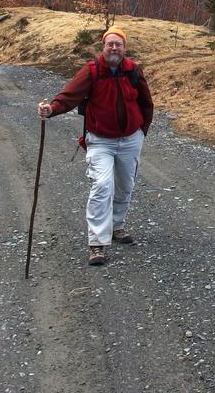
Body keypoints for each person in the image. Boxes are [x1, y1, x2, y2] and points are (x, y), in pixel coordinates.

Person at [37, 26, 153, 266]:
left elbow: (146, 102)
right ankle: (97, 242)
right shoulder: (91, 71)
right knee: (102, 185)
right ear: (103, 47)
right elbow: (69, 96)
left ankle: (117, 226)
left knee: (125, 185)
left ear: (124, 48)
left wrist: (142, 131)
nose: (114, 48)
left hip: (131, 139)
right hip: (100, 140)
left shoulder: (133, 71)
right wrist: (52, 109)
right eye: (109, 44)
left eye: (118, 44)